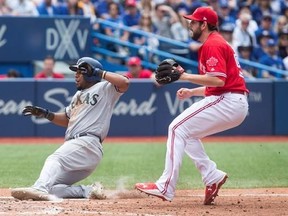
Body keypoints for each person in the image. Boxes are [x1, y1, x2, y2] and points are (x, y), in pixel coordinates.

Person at [135, 6, 249, 205]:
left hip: (229, 100)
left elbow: (219, 81)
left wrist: (184, 76)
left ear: (204, 24)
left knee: (176, 128)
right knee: (186, 135)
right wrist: (191, 91)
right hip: (231, 100)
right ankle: (211, 175)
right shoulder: (216, 43)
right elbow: (218, 82)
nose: (190, 24)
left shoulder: (213, 44)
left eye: (194, 22)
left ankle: (165, 186)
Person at [11, 57, 130, 201]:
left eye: (80, 71)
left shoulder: (105, 88)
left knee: (55, 159)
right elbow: (67, 119)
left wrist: (99, 72)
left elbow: (125, 83)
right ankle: (87, 191)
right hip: (80, 148)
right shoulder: (78, 95)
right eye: (76, 71)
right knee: (53, 187)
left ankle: (39, 188)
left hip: (87, 142)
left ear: (90, 74)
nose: (76, 75)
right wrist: (47, 114)